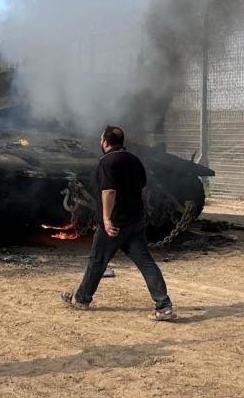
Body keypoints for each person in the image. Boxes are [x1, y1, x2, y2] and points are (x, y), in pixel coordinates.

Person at [62, 126, 177, 321]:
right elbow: (141, 187)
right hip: (135, 221)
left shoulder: (107, 162)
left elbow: (109, 191)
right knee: (146, 262)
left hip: (114, 224)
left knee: (97, 261)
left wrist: (107, 219)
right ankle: (164, 306)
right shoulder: (135, 160)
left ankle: (82, 299)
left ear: (105, 143)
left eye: (101, 140)